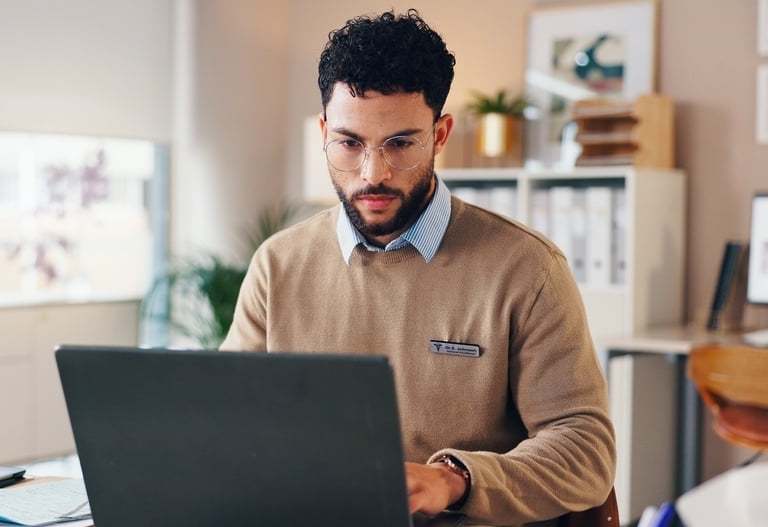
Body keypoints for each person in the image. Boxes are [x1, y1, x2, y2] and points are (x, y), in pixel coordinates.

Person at [221, 9, 615, 526]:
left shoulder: (528, 269)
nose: (373, 173)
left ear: (441, 132)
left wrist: (455, 479)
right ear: (323, 132)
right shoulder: (277, 264)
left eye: (401, 143)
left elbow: (585, 449)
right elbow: (228, 421)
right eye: (349, 143)